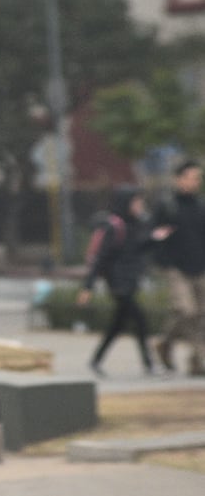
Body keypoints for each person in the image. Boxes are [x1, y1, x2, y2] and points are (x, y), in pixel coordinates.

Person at [76, 187, 164, 376]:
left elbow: (136, 249)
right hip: (118, 284)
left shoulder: (135, 224)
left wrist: (155, 239)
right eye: (136, 202)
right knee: (140, 321)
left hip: (130, 281)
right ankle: (149, 364)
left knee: (118, 325)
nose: (140, 206)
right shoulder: (114, 226)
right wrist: (87, 287)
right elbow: (101, 258)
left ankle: (96, 360)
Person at [153, 160, 205, 375]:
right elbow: (155, 236)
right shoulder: (167, 206)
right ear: (179, 179)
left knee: (201, 314)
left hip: (200, 266)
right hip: (175, 268)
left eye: (198, 178)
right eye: (192, 177)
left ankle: (168, 344)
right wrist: (164, 263)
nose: (196, 182)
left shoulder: (201, 206)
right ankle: (202, 357)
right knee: (187, 311)